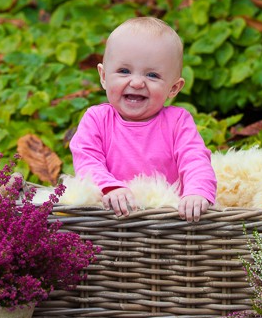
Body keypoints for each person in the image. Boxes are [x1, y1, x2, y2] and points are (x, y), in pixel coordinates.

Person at [68, 17, 217, 222]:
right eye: (124, 71)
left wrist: (196, 193)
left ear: (173, 88)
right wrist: (110, 187)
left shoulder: (177, 121)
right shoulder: (97, 119)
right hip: (109, 216)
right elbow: (87, 160)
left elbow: (195, 160)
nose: (137, 82)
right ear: (103, 76)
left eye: (153, 75)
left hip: (168, 218)